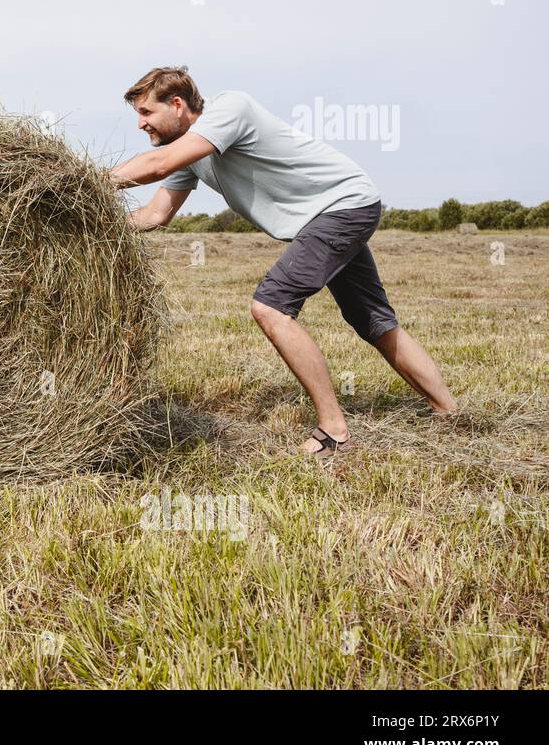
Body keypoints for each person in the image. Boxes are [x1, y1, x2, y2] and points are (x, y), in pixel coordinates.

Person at [110, 66, 458, 459]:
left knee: (270, 306)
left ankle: (334, 430)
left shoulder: (230, 109)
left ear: (177, 104)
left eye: (146, 112)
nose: (140, 123)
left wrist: (84, 183)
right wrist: (93, 221)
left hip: (342, 207)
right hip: (335, 213)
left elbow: (158, 165)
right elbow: (156, 215)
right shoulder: (190, 155)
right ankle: (450, 413)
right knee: (373, 320)